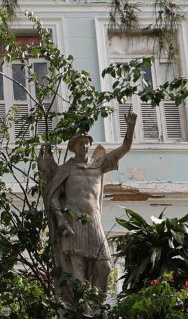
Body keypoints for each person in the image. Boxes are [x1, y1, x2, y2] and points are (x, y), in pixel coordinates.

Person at [43, 113, 136, 300]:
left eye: (86, 143)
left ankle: (97, 306)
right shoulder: (66, 169)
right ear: (73, 147)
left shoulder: (99, 165)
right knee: (77, 267)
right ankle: (82, 308)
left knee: (105, 266)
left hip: (93, 221)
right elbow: (53, 196)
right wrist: (60, 218)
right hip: (72, 219)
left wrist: (131, 126)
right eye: (80, 143)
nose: (84, 146)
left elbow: (125, 148)